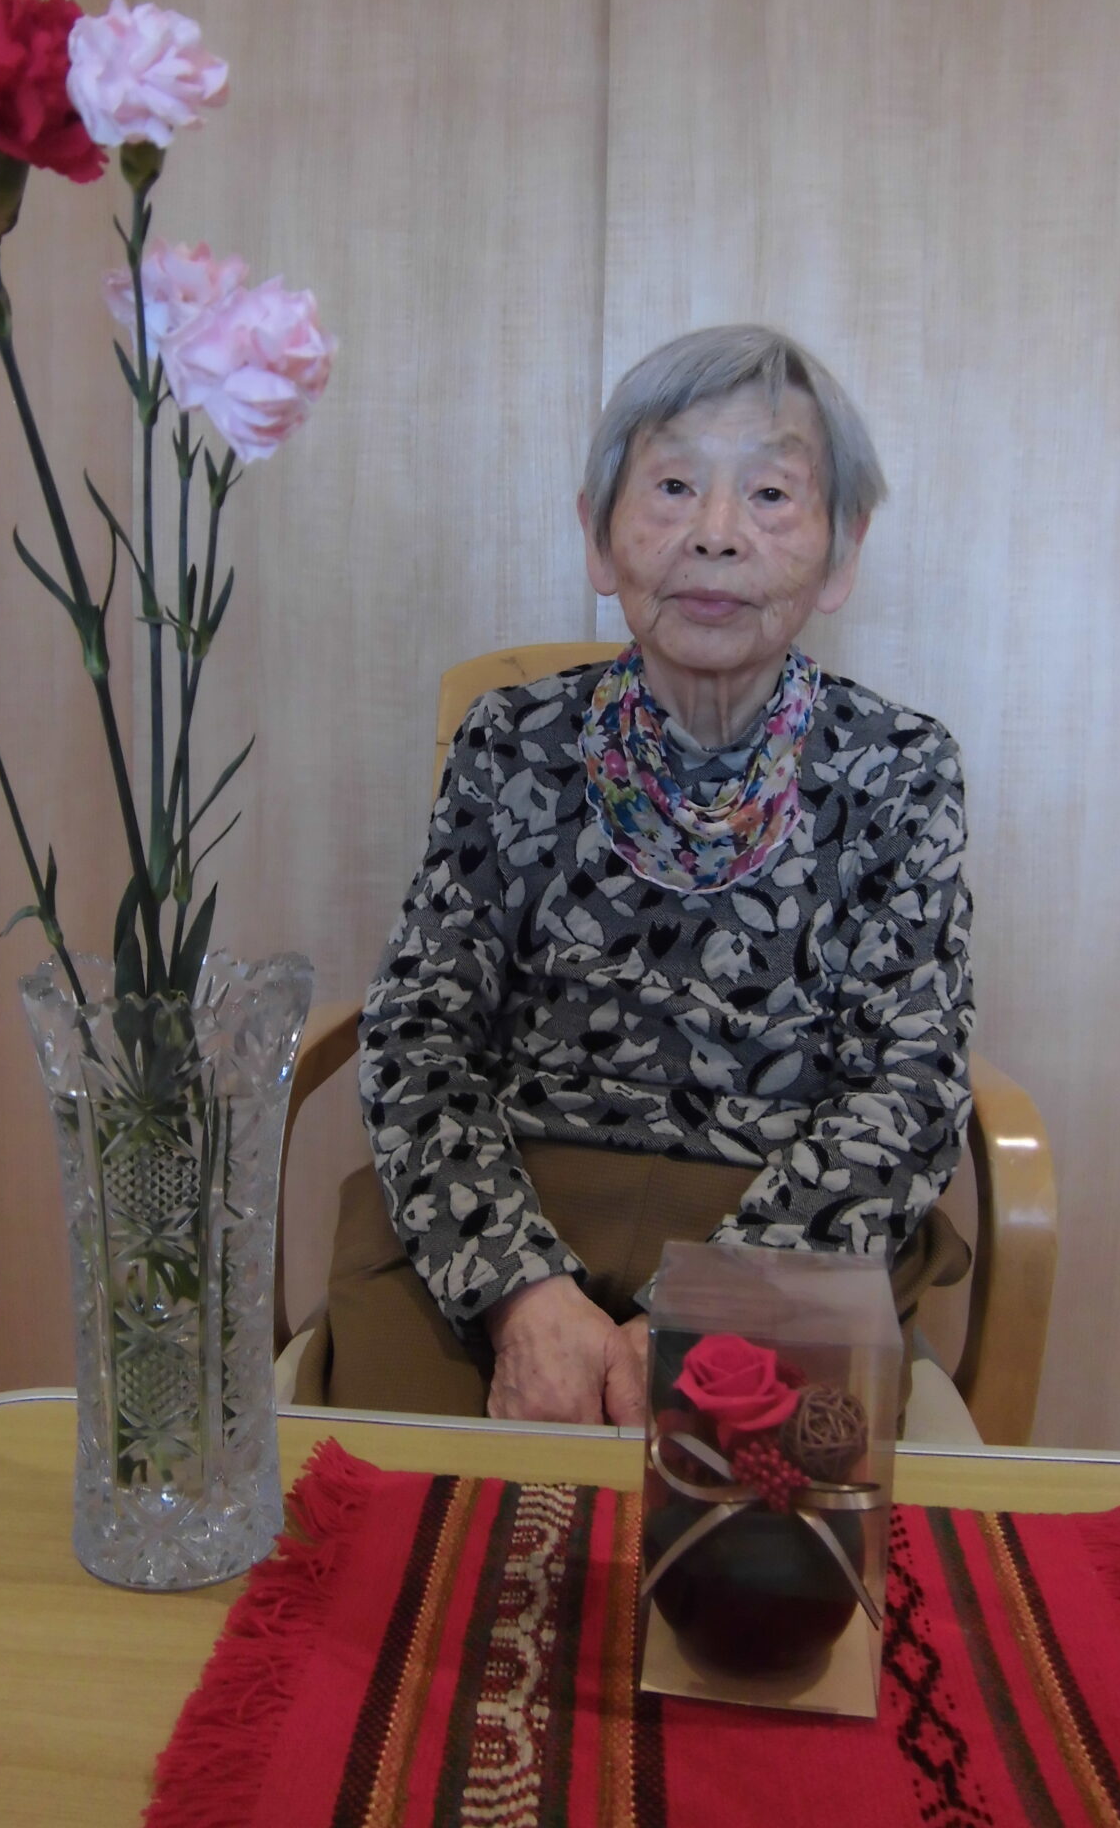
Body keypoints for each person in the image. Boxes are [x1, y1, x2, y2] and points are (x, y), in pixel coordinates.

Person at [295, 325, 973, 1425]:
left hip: (780, 1228)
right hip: (503, 1205)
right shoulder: (512, 743)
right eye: (671, 486)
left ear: (842, 552)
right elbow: (420, 1031)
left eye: (770, 494)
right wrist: (522, 1298)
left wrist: (704, 1315)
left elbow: (911, 1088)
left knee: (749, 1512)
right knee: (408, 1505)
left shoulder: (899, 769)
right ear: (599, 540)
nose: (716, 533)